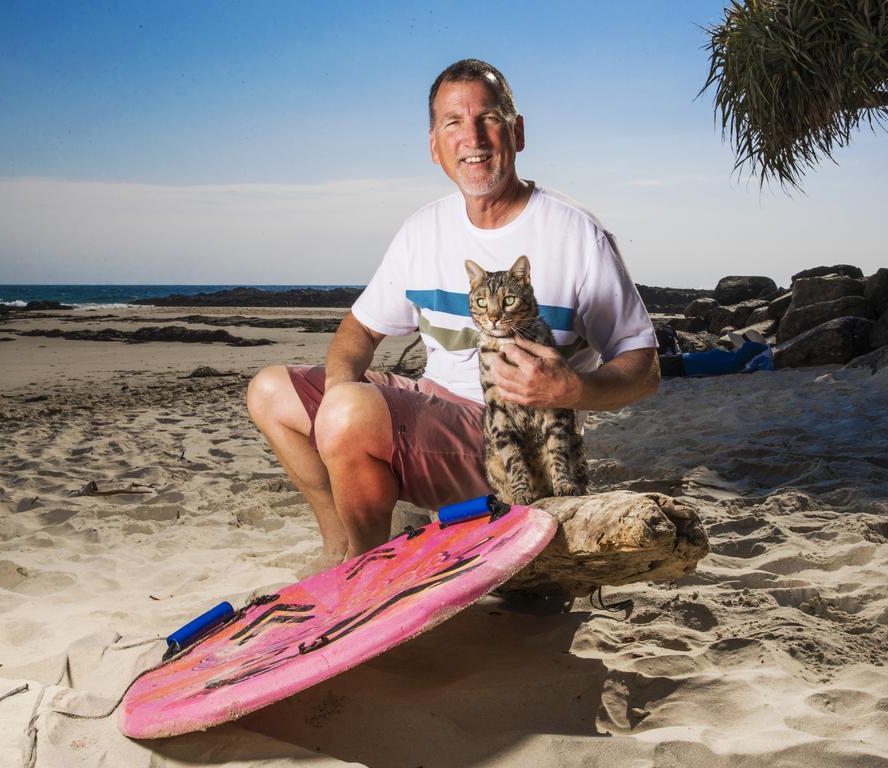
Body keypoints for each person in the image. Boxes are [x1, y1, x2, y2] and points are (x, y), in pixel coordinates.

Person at [247, 59, 660, 572]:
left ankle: (366, 570)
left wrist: (573, 392)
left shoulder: (576, 234)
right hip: (430, 411)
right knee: (270, 391)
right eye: (453, 123)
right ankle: (341, 551)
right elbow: (358, 330)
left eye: (489, 118)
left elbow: (644, 367)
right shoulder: (424, 230)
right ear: (434, 146)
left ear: (518, 132)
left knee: (347, 416)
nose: (474, 138)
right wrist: (337, 393)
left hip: (509, 437)